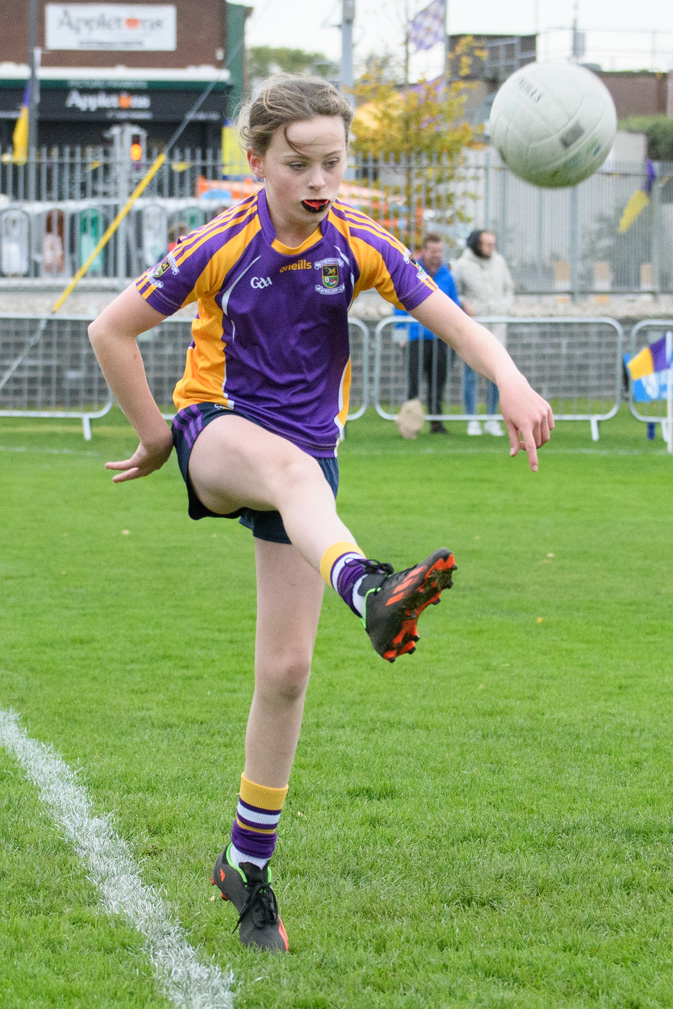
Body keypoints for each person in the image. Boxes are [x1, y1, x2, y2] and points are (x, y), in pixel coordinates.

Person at [88, 74, 553, 955]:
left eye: (332, 162)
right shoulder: (219, 242)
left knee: (288, 670)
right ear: (256, 160)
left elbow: (454, 322)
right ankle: (371, 588)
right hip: (218, 434)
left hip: (306, 474)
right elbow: (109, 330)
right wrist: (155, 438)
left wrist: (511, 378)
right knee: (297, 471)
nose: (318, 179)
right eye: (298, 162)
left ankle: (244, 866)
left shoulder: (358, 242)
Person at [394, 233, 461, 434]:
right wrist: (400, 338)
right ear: (423, 251)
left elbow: (454, 306)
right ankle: (409, 426)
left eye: (439, 251)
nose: (436, 255)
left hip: (440, 337)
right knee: (413, 383)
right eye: (433, 251)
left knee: (437, 382)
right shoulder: (411, 271)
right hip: (414, 338)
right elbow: (398, 305)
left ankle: (436, 423)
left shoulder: (447, 276)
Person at [452, 230, 514, 437]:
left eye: (492, 244)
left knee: (497, 375)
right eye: (487, 244)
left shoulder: (500, 262)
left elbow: (508, 288)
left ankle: (492, 418)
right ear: (477, 245)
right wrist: (464, 304)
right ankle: (472, 419)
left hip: (497, 325)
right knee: (471, 373)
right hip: (475, 326)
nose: (490, 248)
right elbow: (454, 292)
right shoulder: (462, 265)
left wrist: (504, 308)